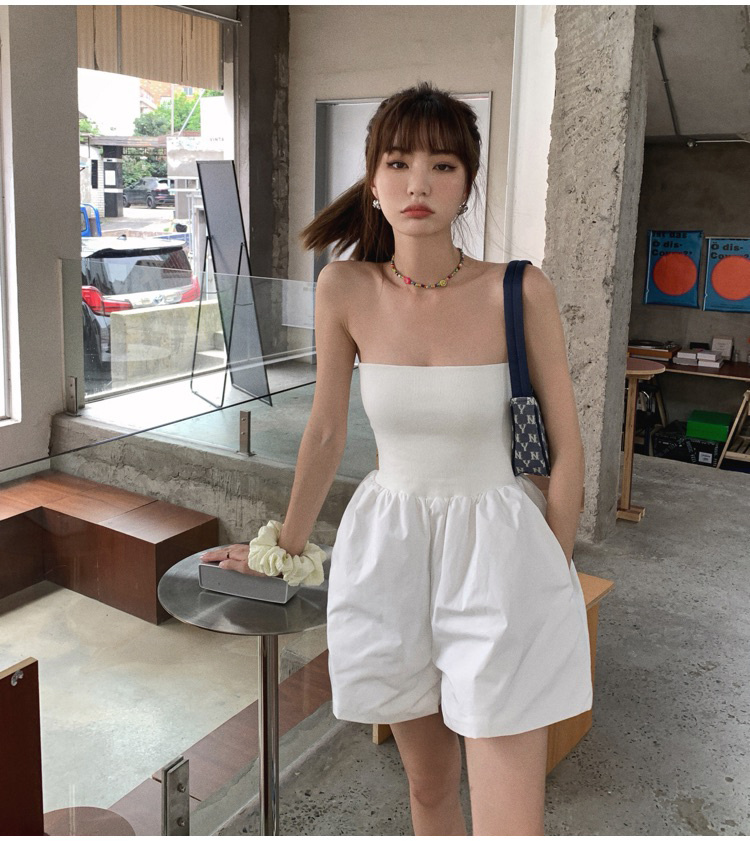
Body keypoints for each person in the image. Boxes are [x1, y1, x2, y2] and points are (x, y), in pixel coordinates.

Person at [201, 81, 592, 836]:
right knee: (429, 791)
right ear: (374, 180)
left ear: (467, 184)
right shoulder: (345, 287)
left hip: (500, 552)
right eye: (399, 162)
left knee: (511, 823)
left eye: (443, 165)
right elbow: (324, 432)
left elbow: (568, 446)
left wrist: (553, 569)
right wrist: (281, 547)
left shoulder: (519, 290)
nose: (419, 183)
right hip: (390, 550)